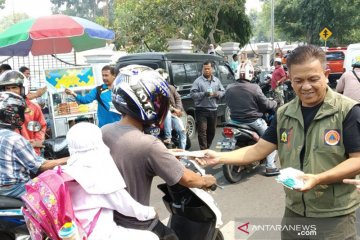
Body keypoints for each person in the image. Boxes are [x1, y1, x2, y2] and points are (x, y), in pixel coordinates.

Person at [197, 45, 360, 239]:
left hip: (334, 216)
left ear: (326, 74)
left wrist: (318, 179)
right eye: (298, 81)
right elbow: (258, 150)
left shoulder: (347, 111)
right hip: (295, 212)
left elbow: (357, 160)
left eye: (313, 79)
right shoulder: (284, 113)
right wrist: (220, 157)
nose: (305, 86)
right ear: (290, 79)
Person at [101, 65, 216, 239]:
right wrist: (205, 181)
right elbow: (187, 178)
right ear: (143, 102)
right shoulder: (149, 145)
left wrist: (169, 153)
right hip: (138, 224)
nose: (160, 107)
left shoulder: (105, 131)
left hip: (108, 220)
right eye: (157, 102)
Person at [62, 122, 158, 240]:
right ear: (98, 141)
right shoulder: (98, 174)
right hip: (101, 235)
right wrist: (151, 212)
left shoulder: (64, 172)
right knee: (152, 237)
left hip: (73, 233)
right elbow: (128, 207)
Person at [0, 92, 67, 198]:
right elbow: (40, 166)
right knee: (56, 192)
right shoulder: (15, 139)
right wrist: (71, 159)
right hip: (14, 188)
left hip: (3, 189)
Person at [225, 61, 279, 176]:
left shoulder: (229, 87)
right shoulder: (254, 88)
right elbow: (266, 105)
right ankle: (270, 167)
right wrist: (274, 103)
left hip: (233, 121)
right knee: (271, 140)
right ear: (251, 74)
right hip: (253, 122)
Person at [0, 70, 47, 155]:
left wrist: (37, 142)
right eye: (7, 88)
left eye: (14, 87)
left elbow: (40, 127)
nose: (11, 91)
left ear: (22, 88)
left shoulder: (34, 108)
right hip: (9, 153)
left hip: (32, 152)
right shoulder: (1, 108)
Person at [190, 61, 225, 150]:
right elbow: (193, 95)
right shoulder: (198, 81)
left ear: (212, 69)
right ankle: (204, 150)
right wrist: (204, 94)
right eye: (204, 69)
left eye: (208, 68)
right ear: (202, 69)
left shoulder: (216, 80)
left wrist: (217, 94)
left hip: (213, 109)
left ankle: (207, 148)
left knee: (212, 132)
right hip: (201, 109)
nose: (206, 70)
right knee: (202, 132)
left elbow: (223, 91)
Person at [158, 69, 187, 149]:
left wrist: (178, 109)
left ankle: (182, 152)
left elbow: (178, 97)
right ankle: (168, 137)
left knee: (182, 131)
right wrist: (174, 109)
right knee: (167, 112)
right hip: (162, 115)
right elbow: (162, 105)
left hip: (175, 115)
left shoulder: (171, 88)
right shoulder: (155, 91)